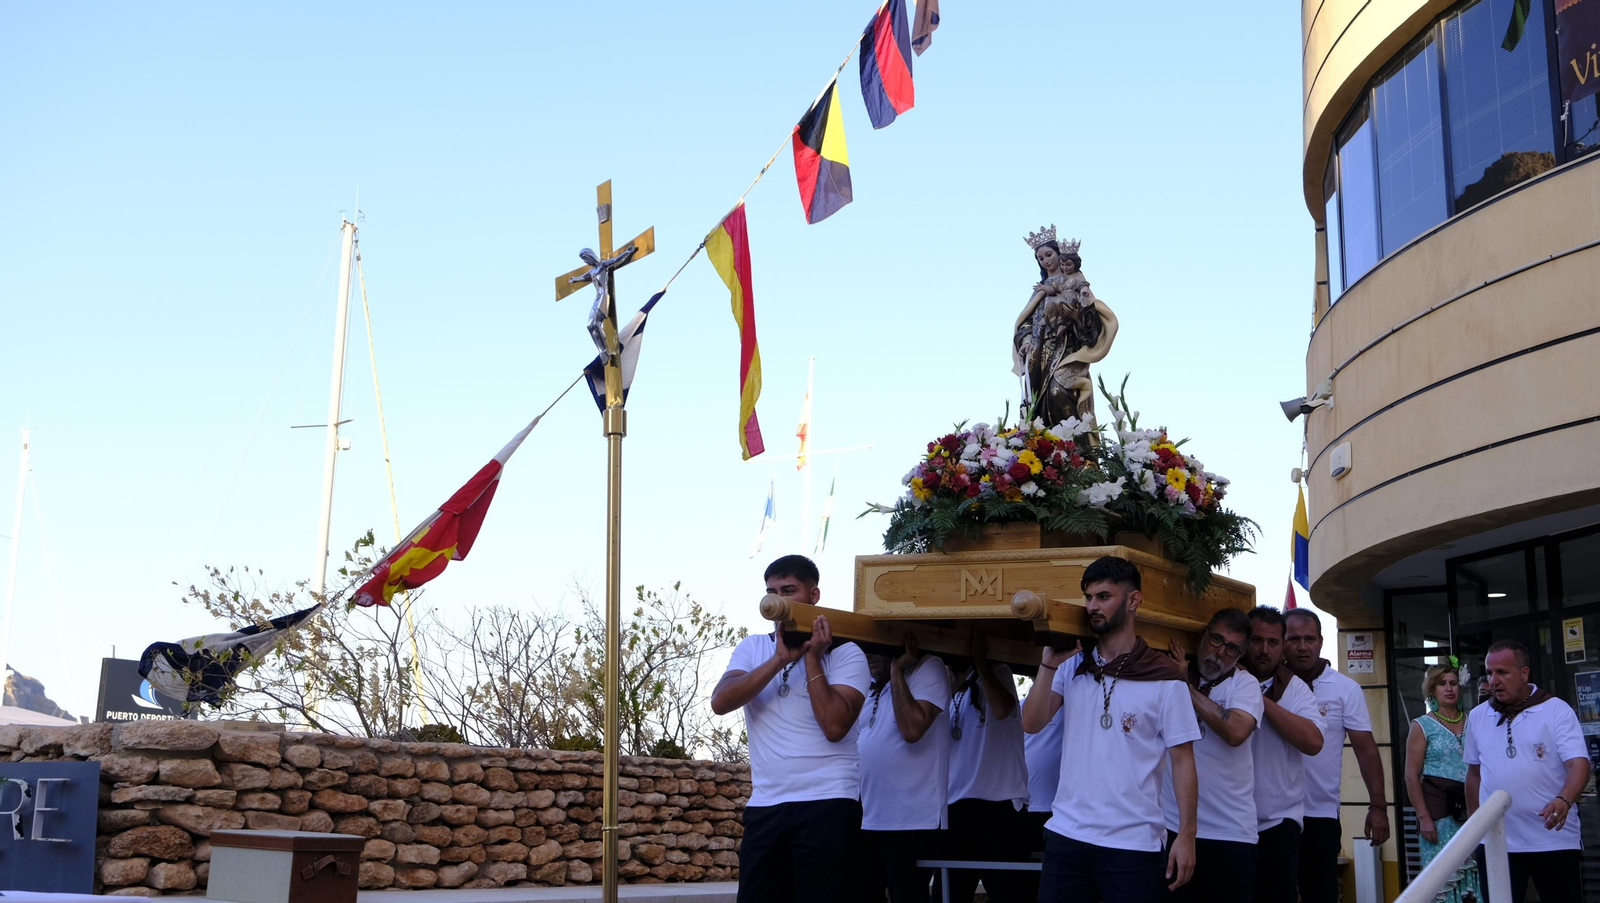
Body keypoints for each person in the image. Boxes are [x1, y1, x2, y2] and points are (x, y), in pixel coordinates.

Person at [1022, 556, 1200, 903]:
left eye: (1103, 597)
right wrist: (1047, 664)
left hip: (1132, 844)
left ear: (1133, 600)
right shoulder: (1071, 664)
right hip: (1066, 834)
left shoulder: (1164, 677)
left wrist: (1188, 835)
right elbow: (1032, 723)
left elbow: (1183, 761)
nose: (1092, 606)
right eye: (1088, 598)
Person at [710, 555, 871, 903]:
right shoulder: (754, 648)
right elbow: (721, 702)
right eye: (771, 591)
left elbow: (834, 725)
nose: (777, 601)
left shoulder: (847, 654)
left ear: (813, 595)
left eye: (788, 591)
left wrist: (812, 657)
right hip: (766, 805)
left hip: (828, 802)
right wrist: (779, 659)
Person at [1464, 639, 1591, 903]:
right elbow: (1473, 775)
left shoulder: (1556, 710)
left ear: (1524, 673)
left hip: (1553, 840)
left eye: (1502, 672)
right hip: (1497, 842)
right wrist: (1473, 829)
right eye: (1489, 673)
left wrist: (1564, 799)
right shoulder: (1477, 716)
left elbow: (1579, 764)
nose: (1494, 680)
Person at [1281, 608, 1389, 903]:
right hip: (1271, 814)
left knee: (1320, 893)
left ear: (1320, 641)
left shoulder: (1345, 689)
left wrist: (1378, 807)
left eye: (1310, 638)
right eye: (1293, 638)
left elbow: (1366, 749)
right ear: (1281, 641)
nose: (1303, 646)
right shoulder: (1263, 685)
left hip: (1319, 814)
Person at [1159, 609, 1263, 902]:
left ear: (1240, 655)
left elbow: (1236, 732)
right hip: (1171, 829)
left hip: (1230, 835)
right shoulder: (1168, 674)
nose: (1220, 652)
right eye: (1216, 639)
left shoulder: (1245, 684)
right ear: (1203, 635)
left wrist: (1185, 687)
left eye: (1232, 648)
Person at [938, 632, 1030, 903]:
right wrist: (949, 685)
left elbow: (1002, 709)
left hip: (999, 808)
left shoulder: (998, 671)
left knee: (1009, 894)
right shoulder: (948, 686)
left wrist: (979, 661)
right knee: (950, 894)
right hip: (956, 807)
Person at [858, 634, 950, 903]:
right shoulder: (874, 684)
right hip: (869, 817)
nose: (868, 655)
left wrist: (897, 671)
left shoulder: (928, 667)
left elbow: (912, 729)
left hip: (911, 819)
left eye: (875, 647)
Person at [1243, 606, 1325, 903]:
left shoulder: (1296, 690)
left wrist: (1258, 699)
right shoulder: (1221, 681)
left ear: (1282, 647)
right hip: (1226, 824)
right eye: (1256, 640)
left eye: (1273, 642)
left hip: (1277, 824)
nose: (1264, 650)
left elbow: (1313, 742)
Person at [1012, 228, 1118, 425]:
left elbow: (1091, 319)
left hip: (1068, 349)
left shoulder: (1076, 284)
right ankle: (1044, 445)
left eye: (1048, 254)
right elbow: (1026, 321)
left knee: (1058, 392)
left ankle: (1073, 449)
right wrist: (1026, 340)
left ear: (1060, 254)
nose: (1045, 261)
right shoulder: (1040, 290)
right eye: (1040, 258)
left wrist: (1077, 315)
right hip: (1039, 351)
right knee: (1035, 403)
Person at [1402, 663, 1481, 903]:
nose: (1448, 689)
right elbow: (1411, 776)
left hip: (1473, 812)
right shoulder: (1421, 726)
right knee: (1443, 884)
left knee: (1478, 882)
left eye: (1453, 683)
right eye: (1442, 684)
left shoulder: (1474, 721)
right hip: (1440, 816)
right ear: (1432, 690)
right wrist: (1424, 817)